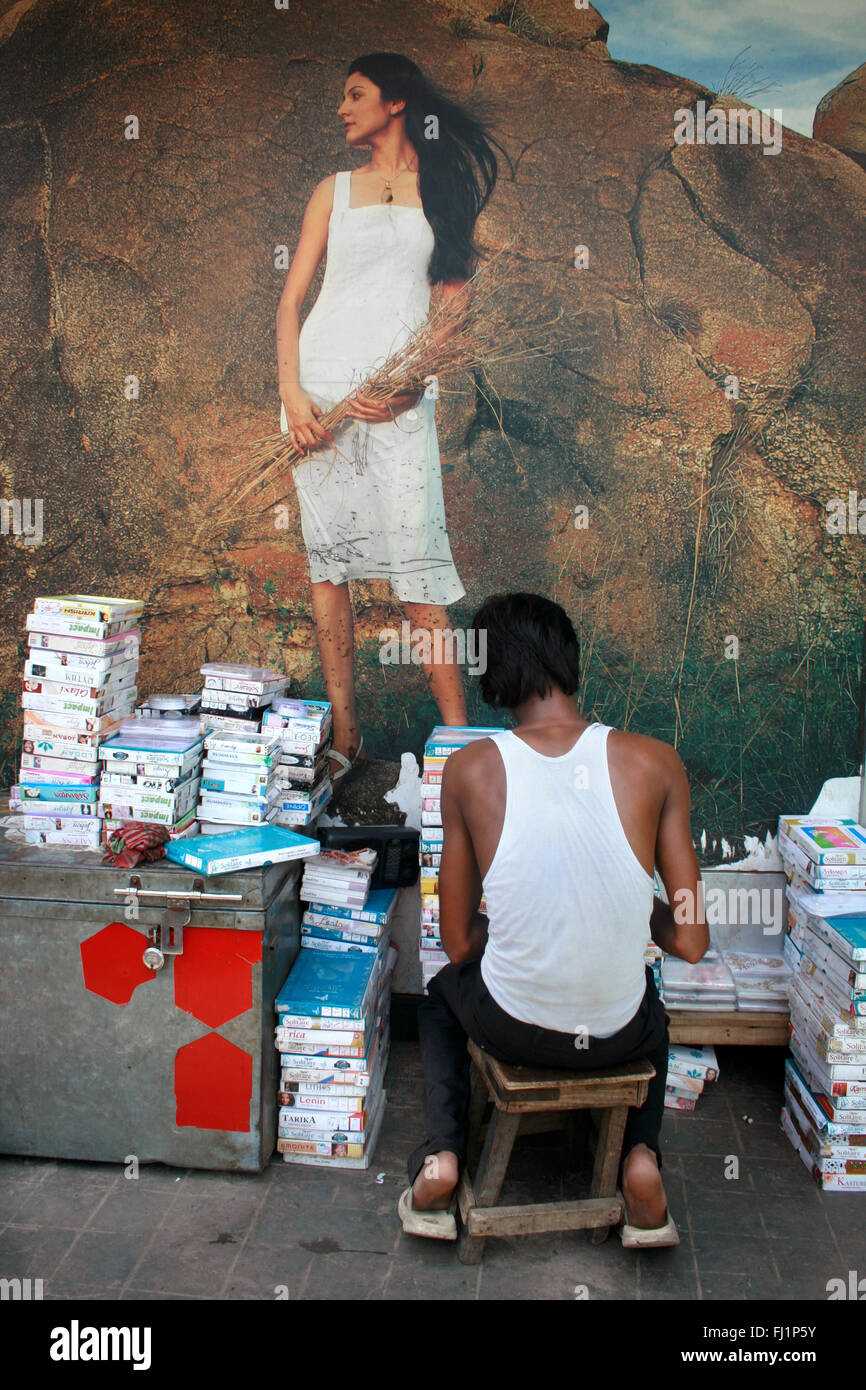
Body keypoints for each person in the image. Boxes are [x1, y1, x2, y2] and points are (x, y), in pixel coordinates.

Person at [399, 591, 709, 1245]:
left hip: (515, 1031)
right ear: (570, 662)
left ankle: (443, 1157)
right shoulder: (657, 763)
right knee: (654, 1010)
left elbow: (457, 945)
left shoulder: (470, 769)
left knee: (438, 1000)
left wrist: (509, 921)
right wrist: (628, 899)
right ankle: (641, 1162)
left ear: (494, 674)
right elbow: (689, 938)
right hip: (619, 1035)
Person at [276, 52, 509, 787]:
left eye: (356, 94)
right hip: (319, 396)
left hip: (401, 397)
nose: (342, 108)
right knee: (329, 567)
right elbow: (292, 303)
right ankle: (348, 736)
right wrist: (292, 395)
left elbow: (451, 310)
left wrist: (413, 384)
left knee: (418, 564)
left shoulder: (440, 192)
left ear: (397, 102)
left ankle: (459, 744)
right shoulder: (331, 191)